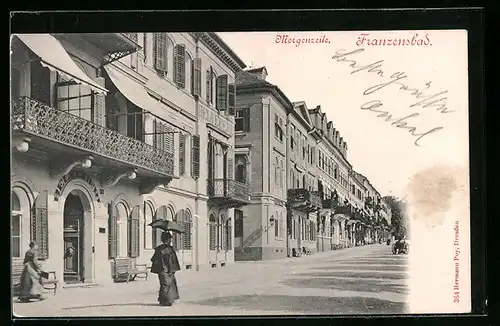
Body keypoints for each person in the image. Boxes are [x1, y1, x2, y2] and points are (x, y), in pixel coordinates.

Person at [150, 232, 181, 306]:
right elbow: (153, 259)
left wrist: (173, 269)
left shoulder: (171, 249)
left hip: (170, 270)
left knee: (170, 284)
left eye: (170, 239)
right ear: (165, 240)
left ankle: (167, 299)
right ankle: (164, 301)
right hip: (162, 270)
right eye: (169, 239)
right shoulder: (159, 249)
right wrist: (160, 257)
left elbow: (174, 260)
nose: (170, 241)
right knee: (165, 285)